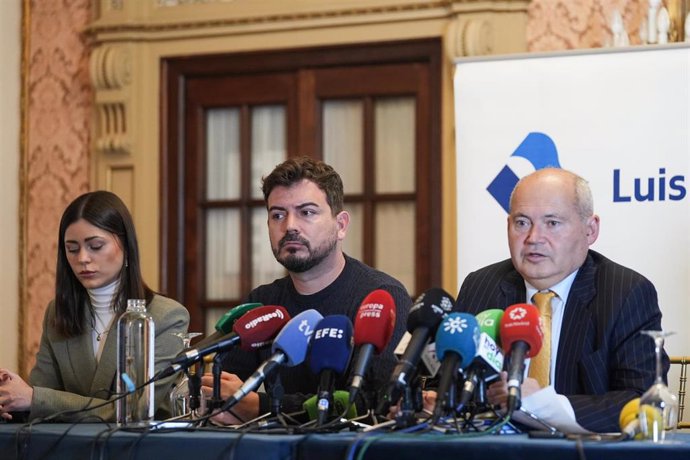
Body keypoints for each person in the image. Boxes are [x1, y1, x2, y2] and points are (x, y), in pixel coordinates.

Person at [456, 167, 668, 432]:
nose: (534, 238)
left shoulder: (626, 292)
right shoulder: (481, 286)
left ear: (590, 230)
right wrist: (435, 400)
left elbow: (643, 401)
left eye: (552, 223)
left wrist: (544, 404)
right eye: (522, 223)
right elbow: (446, 379)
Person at [202, 157, 411, 424]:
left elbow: (373, 402)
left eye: (307, 212)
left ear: (341, 225)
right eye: (278, 214)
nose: (289, 226)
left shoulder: (381, 298)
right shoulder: (263, 303)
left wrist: (262, 407)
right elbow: (229, 389)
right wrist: (222, 403)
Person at [0, 191, 189, 422]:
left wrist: (34, 399)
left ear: (126, 247)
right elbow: (41, 397)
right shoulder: (57, 312)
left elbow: (134, 409)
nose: (83, 258)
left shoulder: (166, 316)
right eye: (72, 249)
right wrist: (11, 401)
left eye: (96, 246)